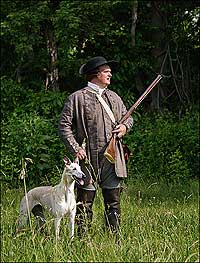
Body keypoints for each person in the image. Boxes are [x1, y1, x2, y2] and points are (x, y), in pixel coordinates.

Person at [59, 56, 133, 235]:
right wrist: (76, 148)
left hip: (111, 158)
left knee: (113, 202)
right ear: (95, 74)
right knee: (84, 203)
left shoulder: (114, 97)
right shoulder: (76, 98)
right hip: (87, 159)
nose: (110, 74)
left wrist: (124, 127)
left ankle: (113, 239)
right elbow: (64, 126)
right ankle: (83, 242)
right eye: (106, 71)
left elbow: (128, 118)